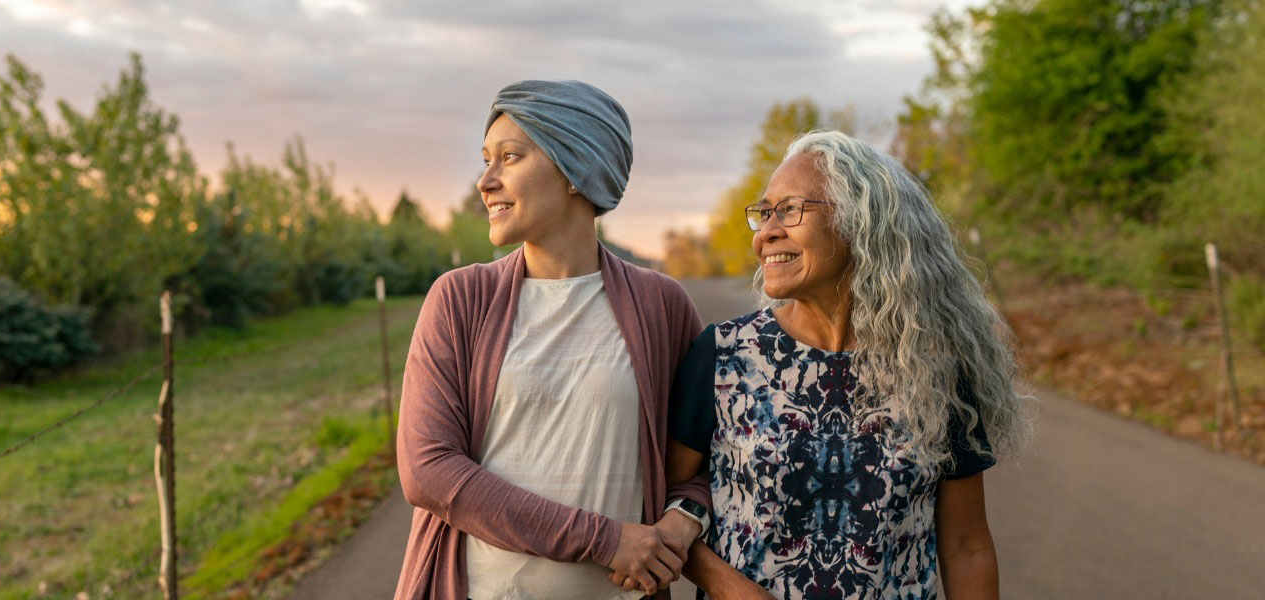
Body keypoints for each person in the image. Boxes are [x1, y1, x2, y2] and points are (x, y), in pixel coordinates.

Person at [656, 130, 1034, 599]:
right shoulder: (723, 355)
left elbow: (966, 546)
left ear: (862, 223)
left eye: (791, 210)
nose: (766, 232)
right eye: (765, 212)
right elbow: (667, 505)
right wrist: (730, 588)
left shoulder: (934, 370)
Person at [394, 79, 714, 600]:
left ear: (575, 170)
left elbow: (707, 455)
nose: (486, 181)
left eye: (510, 157)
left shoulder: (662, 305)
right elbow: (428, 469)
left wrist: (683, 521)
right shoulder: (460, 298)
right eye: (486, 160)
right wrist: (604, 540)